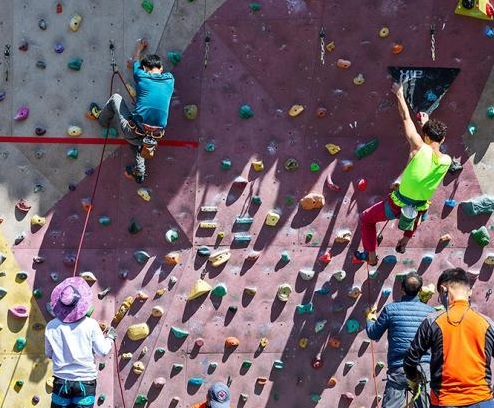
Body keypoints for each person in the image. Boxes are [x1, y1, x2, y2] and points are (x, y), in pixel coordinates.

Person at [354, 82, 452, 266]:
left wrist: (399, 94)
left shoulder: (419, 148)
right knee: (419, 213)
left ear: (425, 136)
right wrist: (425, 125)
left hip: (398, 202)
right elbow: (431, 157)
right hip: (420, 206)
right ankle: (404, 242)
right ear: (443, 139)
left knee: (367, 219)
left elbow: (406, 118)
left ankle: (371, 257)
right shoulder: (446, 161)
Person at [404, 267, 494, 407]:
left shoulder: (432, 321)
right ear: (469, 291)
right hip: (483, 401)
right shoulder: (487, 323)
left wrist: (413, 380)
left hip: (445, 401)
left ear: (442, 290)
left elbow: (410, 360)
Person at [97, 39, 175, 183]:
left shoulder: (141, 75)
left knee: (116, 98)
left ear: (145, 68)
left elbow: (134, 62)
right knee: (137, 143)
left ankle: (101, 120)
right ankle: (139, 172)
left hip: (134, 132)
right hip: (154, 138)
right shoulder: (170, 79)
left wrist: (139, 49)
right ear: (161, 68)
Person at [365, 271, 435, 408]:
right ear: (420, 291)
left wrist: (369, 319)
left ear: (402, 289)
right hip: (423, 367)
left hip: (399, 366)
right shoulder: (430, 312)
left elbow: (373, 334)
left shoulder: (390, 310)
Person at [45, 277, 117, 408]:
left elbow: (48, 353)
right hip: (85, 382)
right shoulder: (90, 325)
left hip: (61, 381)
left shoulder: (51, 326)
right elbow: (103, 351)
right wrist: (110, 337)